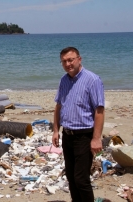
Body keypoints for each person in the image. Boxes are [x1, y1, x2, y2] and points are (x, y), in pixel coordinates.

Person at [52, 47, 105, 202]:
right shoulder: (64, 80)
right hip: (67, 135)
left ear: (79, 59)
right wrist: (56, 130)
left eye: (70, 60)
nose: (68, 64)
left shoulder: (92, 80)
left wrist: (96, 139)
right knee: (71, 176)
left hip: (84, 135)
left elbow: (99, 111)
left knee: (81, 179)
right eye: (64, 61)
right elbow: (59, 106)